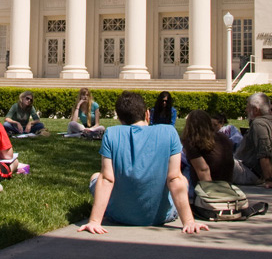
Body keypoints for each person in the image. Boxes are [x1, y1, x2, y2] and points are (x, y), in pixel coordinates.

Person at [78, 91, 208, 234]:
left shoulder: (112, 134)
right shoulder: (169, 132)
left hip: (119, 216)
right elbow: (174, 178)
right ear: (147, 114)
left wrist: (95, 221)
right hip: (162, 216)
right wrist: (189, 221)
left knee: (96, 177)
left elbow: (107, 179)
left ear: (120, 119)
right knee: (182, 178)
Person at [181, 110, 235, 184]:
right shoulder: (223, 137)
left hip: (210, 185)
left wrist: (209, 191)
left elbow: (203, 169)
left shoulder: (192, 143)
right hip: (227, 182)